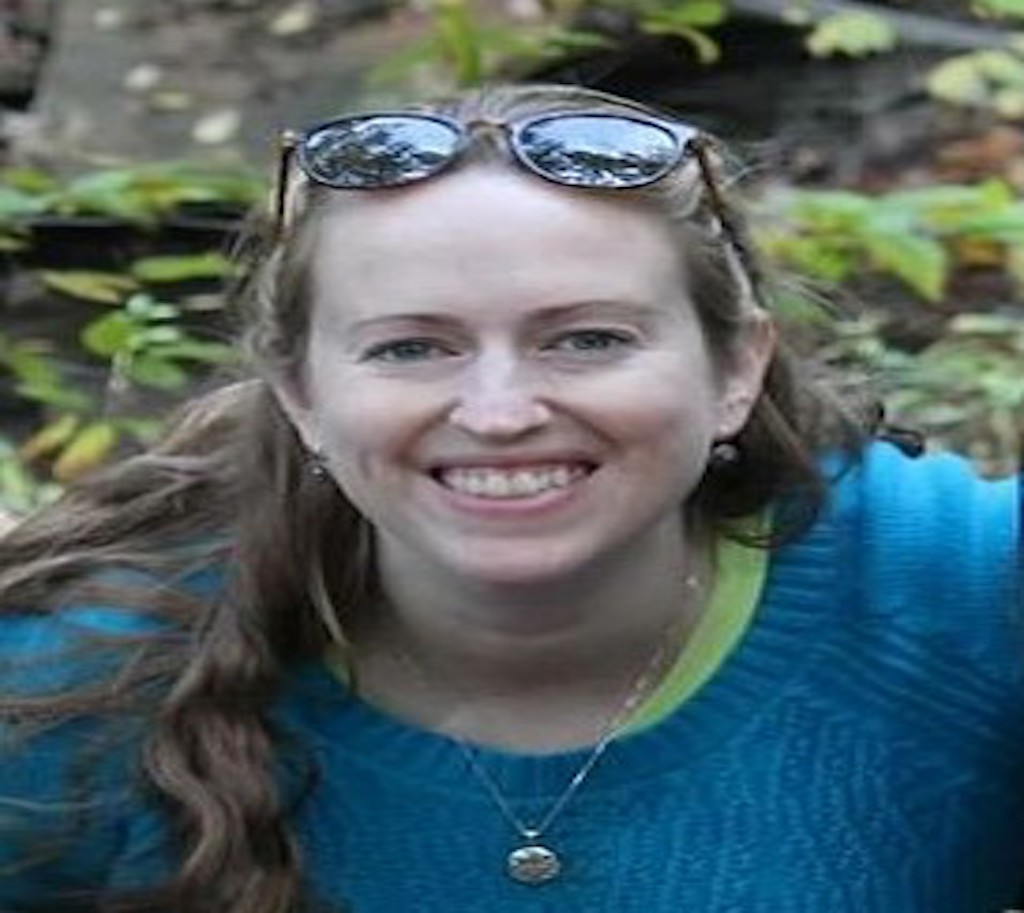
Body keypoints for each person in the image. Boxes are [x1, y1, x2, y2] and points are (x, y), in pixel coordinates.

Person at [0, 81, 1021, 913]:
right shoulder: (76, 685)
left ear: (736, 368)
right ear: (302, 395)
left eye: (587, 338)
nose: (498, 412)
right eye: (412, 347)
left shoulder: (965, 592)